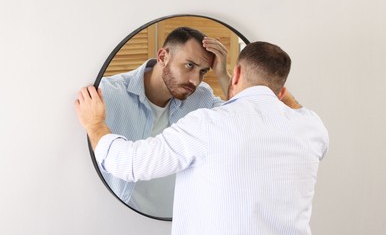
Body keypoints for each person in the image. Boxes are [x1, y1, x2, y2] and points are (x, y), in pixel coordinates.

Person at [75, 41, 329, 234]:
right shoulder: (312, 128)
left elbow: (130, 164)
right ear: (281, 91)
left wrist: (95, 123)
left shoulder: (208, 124)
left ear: (237, 74)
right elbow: (286, 109)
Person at [97, 27, 230, 217]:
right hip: (121, 220)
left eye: (203, 72)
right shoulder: (108, 94)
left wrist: (223, 74)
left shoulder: (201, 97)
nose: (195, 81)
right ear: (162, 57)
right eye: (189, 65)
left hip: (180, 221)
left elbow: (241, 114)